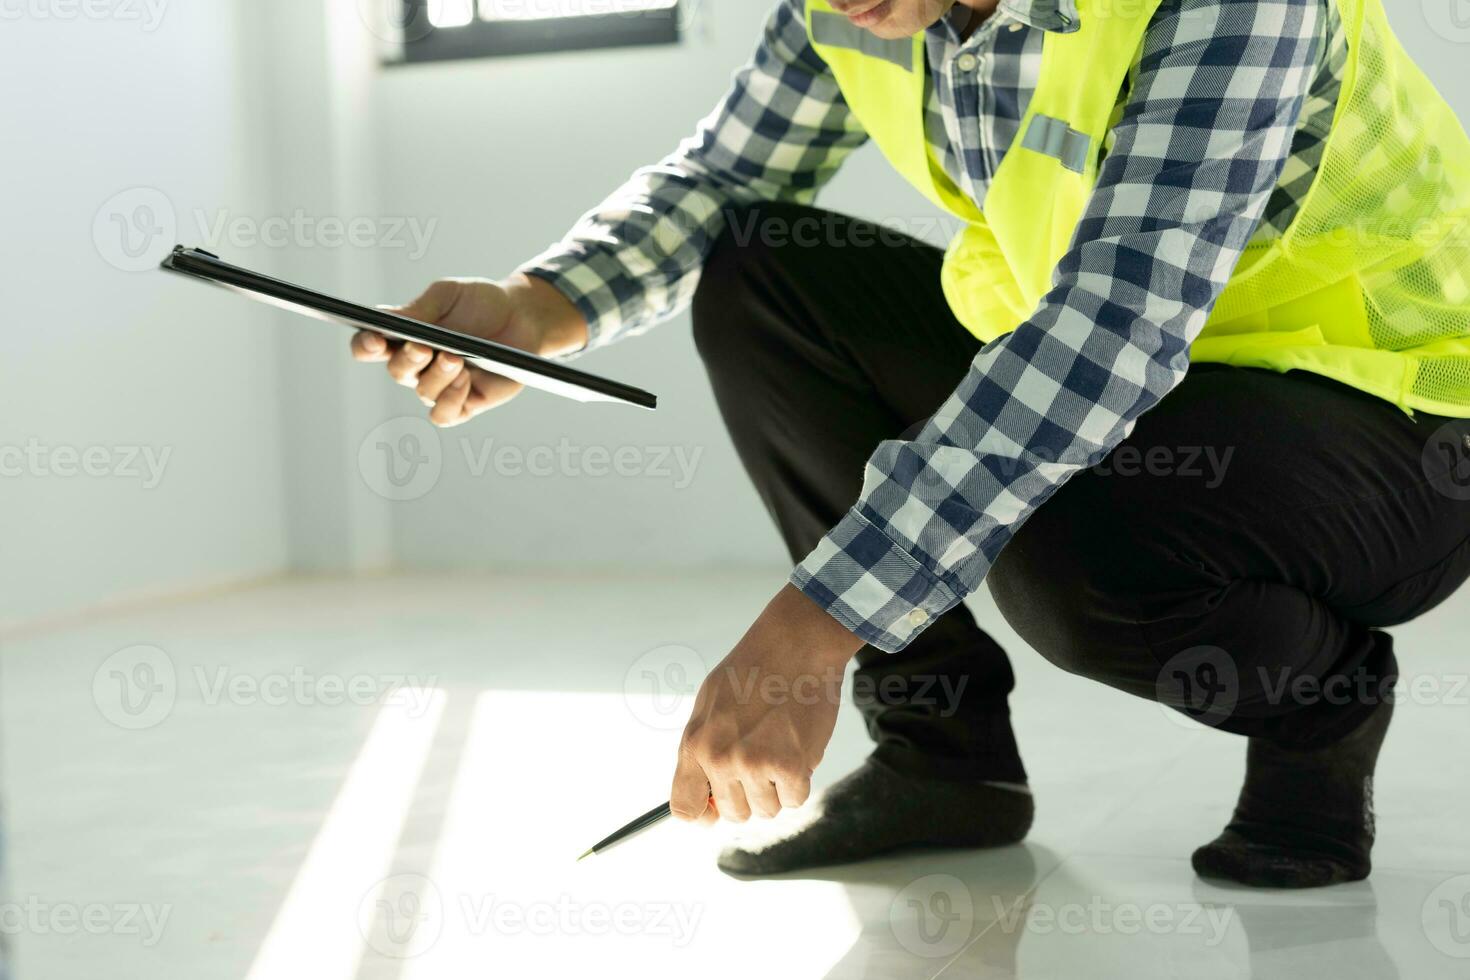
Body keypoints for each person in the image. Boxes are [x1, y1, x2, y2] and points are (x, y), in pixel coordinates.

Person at [352, 0, 1470, 888]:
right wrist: (542, 305)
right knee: (763, 272)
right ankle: (945, 761)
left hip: (1390, 412)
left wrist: (814, 625)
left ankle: (1318, 699)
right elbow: (727, 180)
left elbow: (1114, 325)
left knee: (1070, 542)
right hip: (1136, 379)